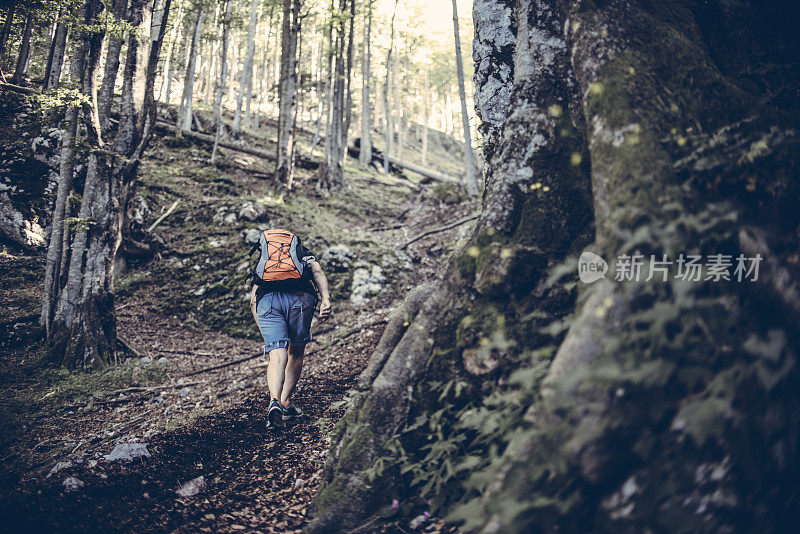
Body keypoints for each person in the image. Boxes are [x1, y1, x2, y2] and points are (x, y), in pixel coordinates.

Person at [249, 232, 331, 429]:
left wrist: (263, 328)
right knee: (295, 351)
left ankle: (274, 401)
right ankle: (285, 402)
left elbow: (253, 299)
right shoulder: (303, 253)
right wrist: (326, 298)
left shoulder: (265, 261)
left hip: (267, 302)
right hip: (299, 299)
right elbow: (317, 272)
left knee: (276, 354)